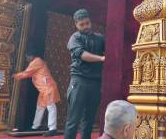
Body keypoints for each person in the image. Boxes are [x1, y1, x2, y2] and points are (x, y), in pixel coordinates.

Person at [64, 9, 105, 139]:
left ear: (90, 21)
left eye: (87, 23)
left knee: (89, 119)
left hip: (95, 82)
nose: (85, 26)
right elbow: (82, 55)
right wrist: (101, 58)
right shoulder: (75, 38)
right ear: (76, 25)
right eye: (82, 24)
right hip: (79, 81)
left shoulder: (100, 38)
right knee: (73, 119)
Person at [13, 51, 60, 137]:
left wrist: (15, 76)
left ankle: (53, 129)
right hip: (43, 90)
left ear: (30, 55)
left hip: (48, 88)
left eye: (27, 57)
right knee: (40, 107)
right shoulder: (37, 62)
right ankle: (35, 126)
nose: (26, 59)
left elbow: (26, 73)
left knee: (51, 107)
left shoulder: (36, 61)